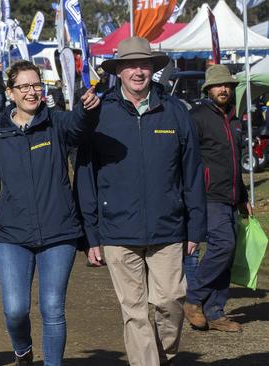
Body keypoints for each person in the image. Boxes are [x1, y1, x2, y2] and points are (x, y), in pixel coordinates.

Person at [75, 37, 206, 366]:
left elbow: (192, 173)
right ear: (118, 71)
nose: (138, 71)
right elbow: (86, 178)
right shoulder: (100, 114)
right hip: (117, 231)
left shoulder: (176, 112)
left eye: (144, 65)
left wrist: (195, 227)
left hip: (169, 228)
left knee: (171, 301)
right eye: (130, 65)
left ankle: (164, 356)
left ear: (153, 70)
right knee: (134, 313)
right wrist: (91, 235)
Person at [0, 60, 100, 366]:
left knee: (52, 307)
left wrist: (88, 108)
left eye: (36, 85)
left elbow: (80, 125)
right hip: (13, 236)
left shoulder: (56, 124)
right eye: (24, 87)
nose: (32, 92)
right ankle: (23, 351)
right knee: (15, 310)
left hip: (59, 233)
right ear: (10, 92)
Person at [183, 64, 251, 333]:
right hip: (208, 195)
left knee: (226, 252)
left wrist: (243, 195)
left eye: (228, 85)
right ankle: (193, 298)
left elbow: (235, 162)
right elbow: (186, 158)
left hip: (231, 196)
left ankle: (215, 312)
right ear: (207, 89)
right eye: (219, 85)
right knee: (223, 246)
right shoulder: (197, 117)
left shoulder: (235, 119)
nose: (224, 89)